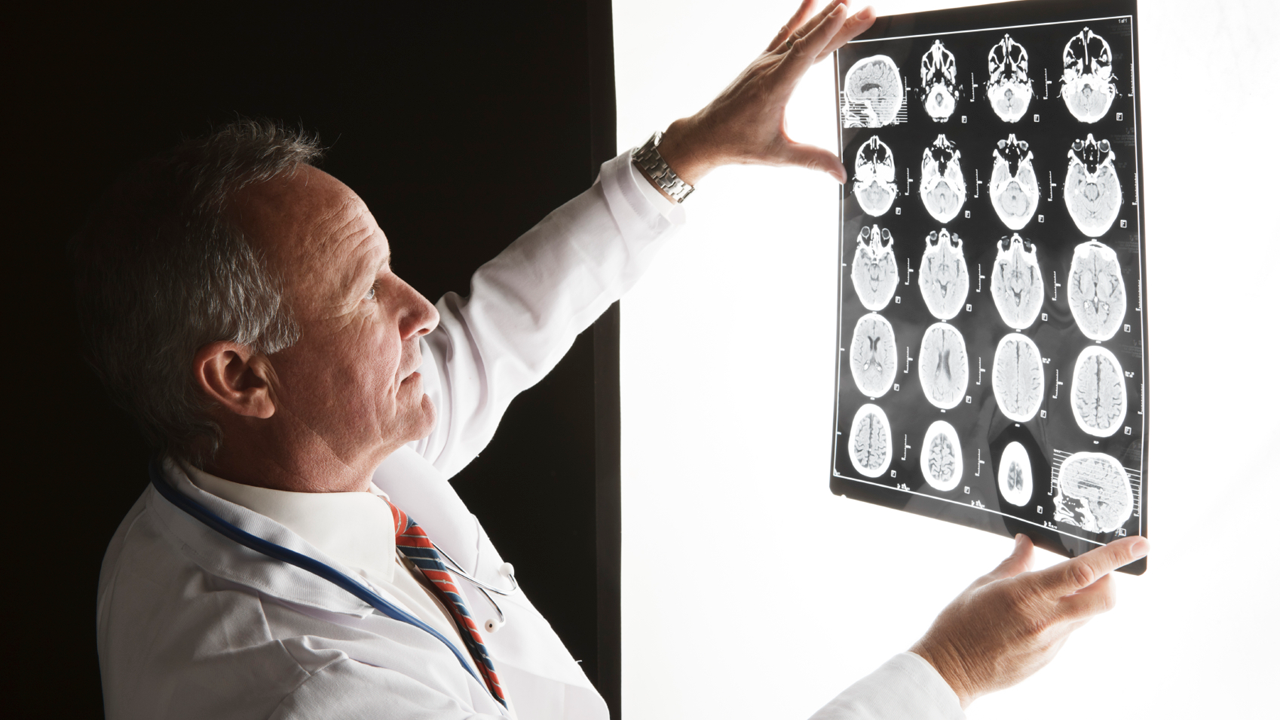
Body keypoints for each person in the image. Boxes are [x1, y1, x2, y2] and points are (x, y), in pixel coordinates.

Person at [75, 2, 1148, 719]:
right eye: (365, 293)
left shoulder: (279, 460)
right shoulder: (321, 691)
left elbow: (493, 334)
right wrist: (947, 671)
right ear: (242, 377)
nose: (418, 311)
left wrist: (685, 155)